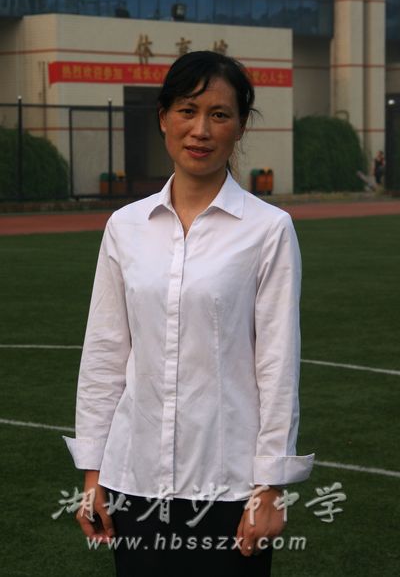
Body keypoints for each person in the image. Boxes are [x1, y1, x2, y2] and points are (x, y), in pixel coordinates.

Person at [64, 50, 314, 577]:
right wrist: (93, 472)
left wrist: (269, 485)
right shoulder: (125, 227)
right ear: (163, 118)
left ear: (239, 127)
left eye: (219, 114)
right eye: (187, 110)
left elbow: (277, 364)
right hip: (134, 482)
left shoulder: (268, 230)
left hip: (229, 487)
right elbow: (105, 353)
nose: (201, 130)